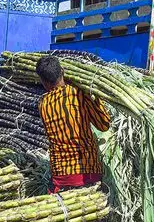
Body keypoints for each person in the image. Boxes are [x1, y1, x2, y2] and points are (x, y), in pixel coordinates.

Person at [35, 54, 110, 193]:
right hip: (87, 172)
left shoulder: (43, 104)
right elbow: (104, 125)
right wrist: (94, 97)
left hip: (60, 176)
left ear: (43, 82)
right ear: (62, 71)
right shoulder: (79, 93)